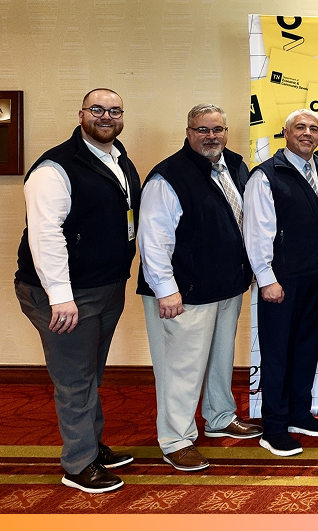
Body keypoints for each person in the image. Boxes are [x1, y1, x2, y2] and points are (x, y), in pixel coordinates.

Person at [14, 88, 140, 493]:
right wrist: (60, 296)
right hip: (65, 295)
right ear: (82, 113)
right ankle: (79, 464)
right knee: (74, 378)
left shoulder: (118, 158)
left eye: (115, 110)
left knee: (89, 374)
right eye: (98, 109)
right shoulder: (55, 167)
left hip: (104, 286)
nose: (107, 116)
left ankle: (91, 445)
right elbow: (45, 235)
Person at [136, 103, 262, 472]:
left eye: (218, 129)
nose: (211, 137)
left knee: (220, 359)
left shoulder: (236, 165)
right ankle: (175, 439)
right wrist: (166, 290)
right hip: (184, 291)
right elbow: (153, 240)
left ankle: (220, 415)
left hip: (226, 284)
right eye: (203, 130)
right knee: (181, 368)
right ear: (189, 132)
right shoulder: (168, 176)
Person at [244, 109, 318, 456]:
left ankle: (300, 412)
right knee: (276, 353)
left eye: (314, 129)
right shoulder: (266, 175)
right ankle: (274, 425)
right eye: (300, 127)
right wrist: (266, 278)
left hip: (316, 278)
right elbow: (256, 233)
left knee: (305, 349)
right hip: (280, 282)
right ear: (285, 132)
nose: (307, 133)